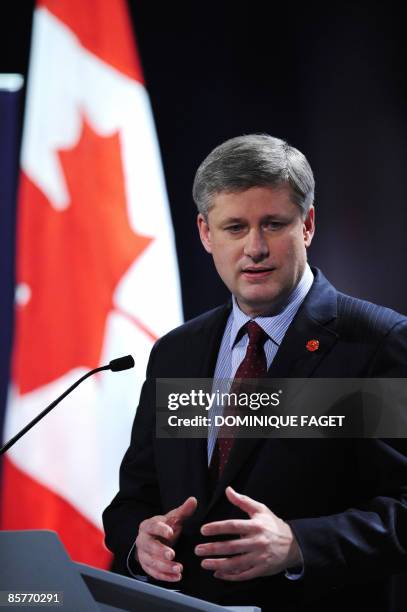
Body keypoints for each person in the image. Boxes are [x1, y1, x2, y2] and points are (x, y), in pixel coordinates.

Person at [103, 134, 407, 611]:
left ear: (306, 225)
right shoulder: (177, 353)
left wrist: (297, 543)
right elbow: (134, 500)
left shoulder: (374, 342)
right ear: (205, 233)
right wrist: (139, 545)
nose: (256, 248)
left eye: (273, 224)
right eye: (235, 227)